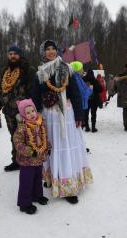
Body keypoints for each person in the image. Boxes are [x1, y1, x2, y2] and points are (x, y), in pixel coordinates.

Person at [32, 40, 93, 204]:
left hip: (66, 114)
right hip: (48, 116)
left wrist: (79, 114)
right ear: (43, 53)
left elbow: (75, 92)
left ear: (57, 51)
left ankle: (68, 186)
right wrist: (36, 116)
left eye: (53, 49)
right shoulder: (39, 73)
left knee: (65, 146)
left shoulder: (66, 68)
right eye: (47, 49)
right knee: (51, 146)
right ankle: (52, 177)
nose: (51, 52)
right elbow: (35, 96)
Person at [0, 45, 33, 172]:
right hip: (8, 111)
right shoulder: (5, 71)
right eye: (10, 53)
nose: (12, 56)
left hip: (24, 112)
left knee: (27, 136)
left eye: (15, 54)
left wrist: (33, 109)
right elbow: (0, 89)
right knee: (14, 137)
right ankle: (16, 161)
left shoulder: (27, 69)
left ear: (20, 55)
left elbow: (33, 90)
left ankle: (29, 160)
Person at [13, 99, 51, 215]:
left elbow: (45, 137)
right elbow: (17, 142)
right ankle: (24, 203)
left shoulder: (40, 123)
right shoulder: (22, 127)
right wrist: (29, 151)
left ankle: (37, 195)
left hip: (39, 159)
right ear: (23, 114)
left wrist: (47, 147)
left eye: (32, 111)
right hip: (27, 161)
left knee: (37, 178)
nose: (31, 114)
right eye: (27, 113)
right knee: (26, 181)